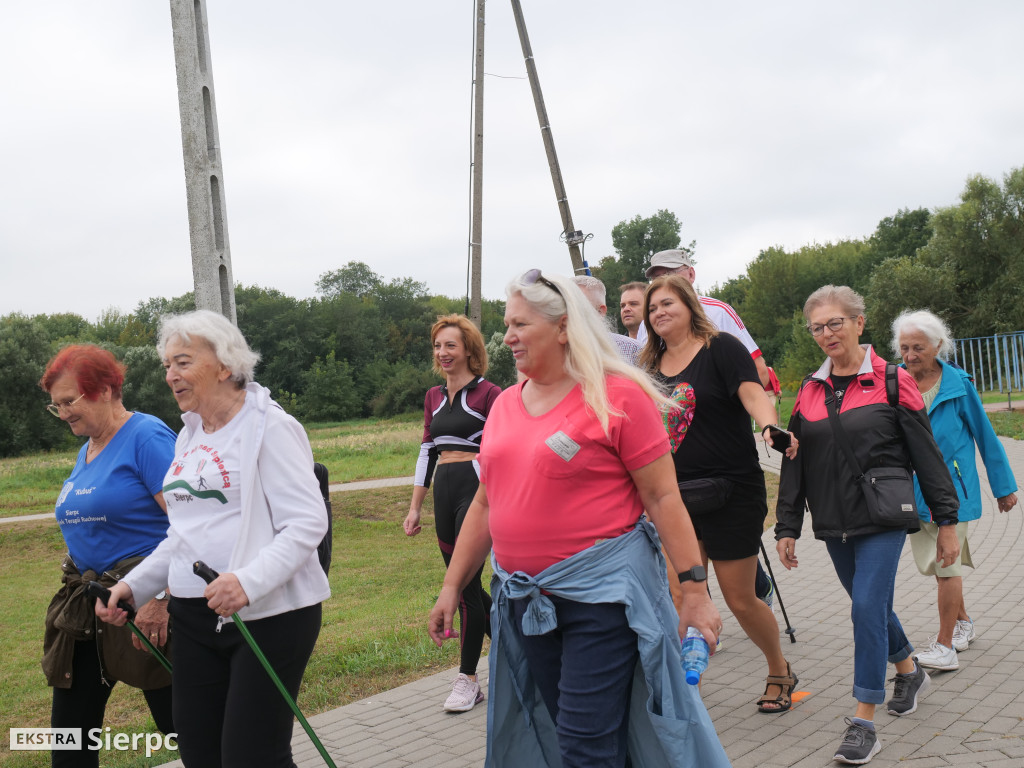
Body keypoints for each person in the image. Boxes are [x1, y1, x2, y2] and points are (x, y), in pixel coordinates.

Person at [428, 269, 730, 768]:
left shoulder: (618, 396)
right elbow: (486, 503)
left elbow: (662, 498)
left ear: (564, 326)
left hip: (602, 600)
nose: (507, 337)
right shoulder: (504, 406)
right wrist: (451, 586)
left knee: (584, 743)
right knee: (577, 731)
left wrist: (694, 594)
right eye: (508, 324)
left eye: (520, 324)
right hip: (527, 601)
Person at [97, 310, 330, 768]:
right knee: (200, 755)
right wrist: (133, 588)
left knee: (252, 758)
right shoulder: (189, 437)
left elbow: (306, 522)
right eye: (167, 365)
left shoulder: (271, 428)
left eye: (182, 362)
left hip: (268, 617)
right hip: (192, 619)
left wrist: (247, 580)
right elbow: (181, 536)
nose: (170, 375)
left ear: (225, 365)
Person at [776, 286, 960, 765]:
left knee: (864, 608)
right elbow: (795, 463)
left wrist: (947, 522)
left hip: (881, 517)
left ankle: (864, 722)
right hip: (833, 521)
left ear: (860, 322)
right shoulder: (810, 390)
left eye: (835, 323)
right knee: (870, 605)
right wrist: (787, 525)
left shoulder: (894, 380)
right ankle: (909, 669)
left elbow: (928, 456)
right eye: (817, 327)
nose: (826, 334)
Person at [639, 274, 800, 714]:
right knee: (682, 596)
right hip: (675, 499)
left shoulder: (721, 350)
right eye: (653, 308)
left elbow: (753, 393)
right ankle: (688, 690)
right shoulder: (648, 370)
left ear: (690, 305)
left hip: (733, 491)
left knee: (740, 598)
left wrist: (769, 425)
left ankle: (779, 669)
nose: (659, 312)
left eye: (668, 303)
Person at [40, 344, 177, 768]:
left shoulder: (147, 437)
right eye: (56, 405)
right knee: (70, 741)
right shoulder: (88, 449)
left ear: (103, 390)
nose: (63, 413)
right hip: (90, 606)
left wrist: (162, 598)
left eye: (69, 402)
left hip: (145, 605)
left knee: (187, 730)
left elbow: (192, 525)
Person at [892, 310, 1018, 671]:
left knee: (947, 567)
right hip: (911, 491)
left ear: (938, 346)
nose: (911, 355)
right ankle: (963, 622)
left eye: (918, 347)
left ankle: (945, 645)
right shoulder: (893, 383)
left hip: (954, 490)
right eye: (904, 348)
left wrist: (1003, 486)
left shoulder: (958, 384)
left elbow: (984, 435)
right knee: (936, 566)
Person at [404, 314, 501, 712]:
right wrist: (415, 507)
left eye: (450, 346)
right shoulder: (432, 397)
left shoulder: (490, 394)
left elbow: (501, 449)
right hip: (444, 489)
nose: (443, 353)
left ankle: (468, 679)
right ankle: (522, 645)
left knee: (462, 586)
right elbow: (427, 450)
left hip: (476, 491)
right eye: (438, 346)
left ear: (468, 350)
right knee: (466, 589)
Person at [638, 249, 771, 389]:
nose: (665, 281)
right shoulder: (647, 324)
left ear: (691, 274)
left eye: (671, 273)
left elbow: (759, 371)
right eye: (657, 278)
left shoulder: (719, 312)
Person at [573, 275, 642, 365]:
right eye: (565, 304)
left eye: (578, 304)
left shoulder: (633, 350)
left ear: (601, 311)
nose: (569, 310)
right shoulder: (554, 350)